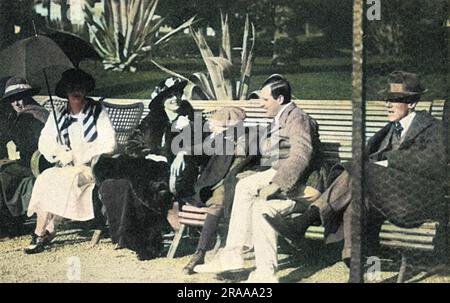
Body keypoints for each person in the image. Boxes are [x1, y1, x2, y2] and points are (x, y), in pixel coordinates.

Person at [265, 71, 447, 264]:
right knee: (356, 195)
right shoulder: (389, 130)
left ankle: (306, 219)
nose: (388, 104)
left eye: (395, 100)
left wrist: (385, 163)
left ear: (411, 103)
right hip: (386, 198)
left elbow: (434, 161)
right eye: (387, 100)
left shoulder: (434, 128)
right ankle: (353, 257)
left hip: (415, 200)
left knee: (361, 170)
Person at [194, 75, 323, 282]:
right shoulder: (280, 118)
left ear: (279, 99)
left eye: (265, 100)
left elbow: (301, 154)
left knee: (245, 187)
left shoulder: (296, 118)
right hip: (286, 177)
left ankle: (233, 255)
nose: (261, 105)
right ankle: (254, 266)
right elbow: (269, 151)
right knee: (254, 199)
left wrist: (277, 184)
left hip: (304, 183)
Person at [93, 77, 206, 260]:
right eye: (169, 95)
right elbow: (132, 144)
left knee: (138, 181)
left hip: (177, 170)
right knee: (117, 181)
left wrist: (183, 152)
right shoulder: (153, 119)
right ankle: (129, 237)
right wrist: (148, 153)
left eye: (177, 94)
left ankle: (148, 242)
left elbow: (203, 144)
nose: (175, 99)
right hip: (148, 164)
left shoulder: (189, 117)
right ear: (162, 99)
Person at [24, 68, 117, 254]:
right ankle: (47, 230)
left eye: (80, 87)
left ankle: (39, 233)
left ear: (86, 90)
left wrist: (84, 153)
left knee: (62, 181)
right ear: (65, 90)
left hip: (91, 167)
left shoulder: (97, 111)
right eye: (72, 87)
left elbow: (110, 143)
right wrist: (59, 151)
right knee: (46, 178)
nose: (77, 91)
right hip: (66, 166)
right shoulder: (59, 114)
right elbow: (44, 141)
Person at [182, 106, 259, 274]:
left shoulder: (248, 136)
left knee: (218, 203)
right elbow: (199, 152)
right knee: (212, 200)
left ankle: (200, 252)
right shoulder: (220, 138)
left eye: (227, 126)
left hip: (235, 180)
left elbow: (244, 152)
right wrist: (183, 154)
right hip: (216, 181)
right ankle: (204, 251)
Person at [0, 77, 49, 236]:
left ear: (28, 96)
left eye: (19, 98)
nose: (16, 103)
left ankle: (12, 220)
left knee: (4, 171)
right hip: (39, 161)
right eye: (12, 100)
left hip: (39, 163)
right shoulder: (39, 110)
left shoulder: (30, 116)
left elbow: (28, 146)